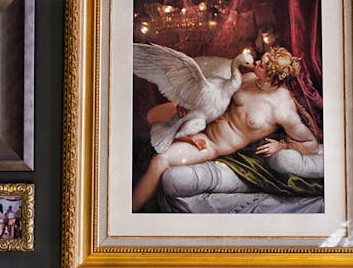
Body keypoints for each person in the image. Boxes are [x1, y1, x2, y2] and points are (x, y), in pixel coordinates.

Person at [131, 46, 321, 212]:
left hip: (211, 144)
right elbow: (214, 96)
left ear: (272, 76)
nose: (256, 62)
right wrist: (187, 105)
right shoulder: (249, 78)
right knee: (149, 123)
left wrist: (282, 146)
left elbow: (310, 144)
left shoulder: (282, 109)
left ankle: (127, 218)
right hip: (199, 122)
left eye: (262, 64)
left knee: (160, 160)